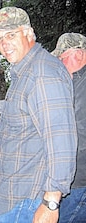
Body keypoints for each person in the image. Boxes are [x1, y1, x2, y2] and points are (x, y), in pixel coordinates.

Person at [0, 7, 77, 223]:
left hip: (26, 201)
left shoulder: (43, 75)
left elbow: (61, 141)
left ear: (28, 33)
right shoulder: (25, 70)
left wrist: (50, 203)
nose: (4, 44)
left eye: (11, 35)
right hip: (13, 195)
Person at [52, 33, 86, 223]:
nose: (59, 62)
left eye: (62, 57)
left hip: (79, 180)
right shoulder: (75, 80)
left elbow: (80, 139)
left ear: (79, 55)